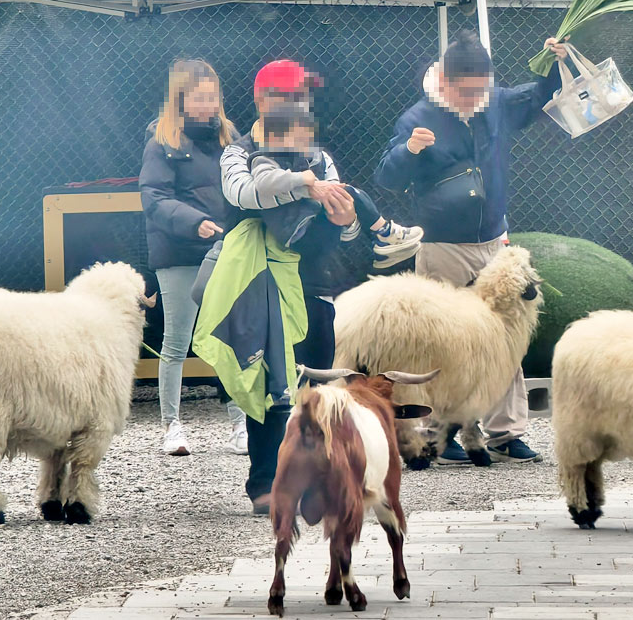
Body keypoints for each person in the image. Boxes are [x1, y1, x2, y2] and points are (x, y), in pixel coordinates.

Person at [375, 31, 568, 465]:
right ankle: (437, 435)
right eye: (465, 91)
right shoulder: (417, 118)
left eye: (480, 90)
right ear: (443, 81)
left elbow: (540, 96)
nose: (473, 99)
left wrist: (555, 63)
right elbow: (386, 177)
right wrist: (409, 150)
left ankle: (506, 434)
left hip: (494, 241)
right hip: (442, 244)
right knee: (441, 341)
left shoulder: (493, 102)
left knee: (506, 336)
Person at [219, 59, 360, 514]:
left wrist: (348, 220)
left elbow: (344, 223)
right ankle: (266, 482)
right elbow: (243, 194)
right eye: (290, 95)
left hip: (314, 280)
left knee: (316, 387)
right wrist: (305, 186)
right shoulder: (237, 152)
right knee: (268, 386)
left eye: (303, 95)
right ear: (263, 100)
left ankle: (315, 483)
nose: (300, 103)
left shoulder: (318, 155)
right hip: (261, 286)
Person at [139, 59, 248, 457]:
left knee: (231, 338)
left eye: (212, 97)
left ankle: (241, 423)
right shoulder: (162, 140)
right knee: (177, 341)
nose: (208, 105)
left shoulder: (230, 138)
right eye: (199, 98)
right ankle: (172, 426)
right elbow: (154, 197)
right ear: (180, 99)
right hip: (179, 253)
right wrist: (194, 222)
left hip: (225, 250)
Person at [248, 103, 422, 264]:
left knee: (346, 192)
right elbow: (264, 183)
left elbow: (324, 186)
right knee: (345, 193)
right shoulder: (263, 158)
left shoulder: (304, 156)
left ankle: (383, 239)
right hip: (295, 231)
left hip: (308, 223)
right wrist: (302, 179)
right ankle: (384, 233)